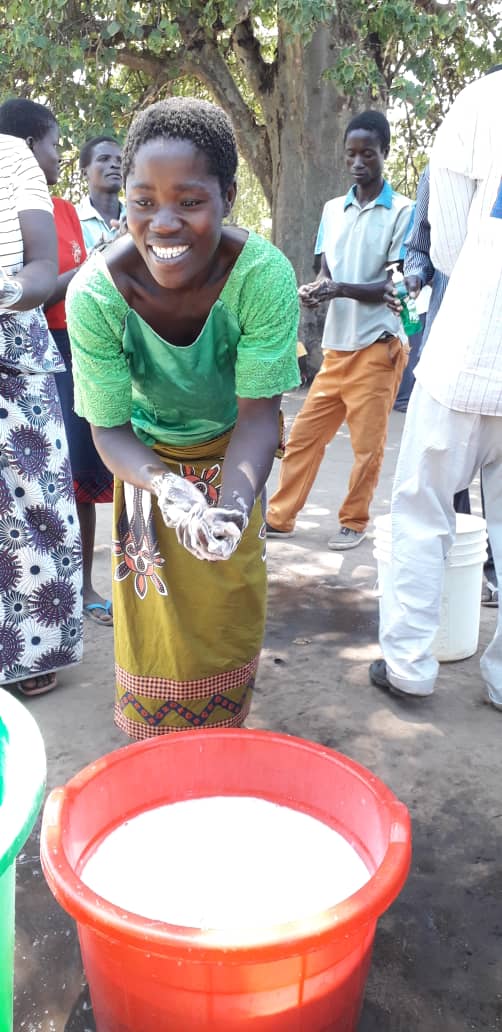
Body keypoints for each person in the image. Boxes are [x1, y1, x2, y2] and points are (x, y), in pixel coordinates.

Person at [66, 97, 300, 737]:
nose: (163, 224)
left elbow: (257, 415)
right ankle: (155, 748)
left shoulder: (261, 276)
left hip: (234, 455)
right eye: (143, 202)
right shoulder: (95, 294)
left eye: (189, 202)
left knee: (230, 593)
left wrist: (231, 503)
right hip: (145, 465)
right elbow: (109, 432)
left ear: (227, 195)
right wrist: (168, 488)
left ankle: (223, 738)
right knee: (155, 618)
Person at [369, 69, 502, 711]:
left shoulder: (482, 100)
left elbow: (446, 241)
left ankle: (410, 667)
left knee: (423, 509)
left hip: (472, 345)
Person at [266, 111, 413, 550]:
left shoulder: (402, 211)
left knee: (367, 447)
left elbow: (395, 284)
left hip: (377, 345)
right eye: (351, 154)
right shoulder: (333, 209)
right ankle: (280, 516)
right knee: (305, 436)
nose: (358, 162)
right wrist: (317, 289)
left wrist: (337, 288)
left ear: (385, 153)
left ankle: (354, 520)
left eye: (368, 153)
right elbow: (326, 268)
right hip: (336, 348)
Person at [0, 99, 115, 628]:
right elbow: (44, 292)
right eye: (54, 145)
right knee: (52, 483)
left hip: (84, 353)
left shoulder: (61, 210)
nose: (58, 155)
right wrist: (93, 268)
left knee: (80, 476)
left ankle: (79, 589)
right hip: (45, 347)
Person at [0, 113, 83, 696]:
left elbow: (42, 269)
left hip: (13, 348)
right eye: (58, 146)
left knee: (36, 505)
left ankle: (34, 650)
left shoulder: (13, 161)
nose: (58, 156)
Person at [76, 136, 124, 252]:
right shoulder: (72, 221)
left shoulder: (137, 220)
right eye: (104, 159)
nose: (115, 165)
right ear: (84, 173)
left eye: (120, 160)